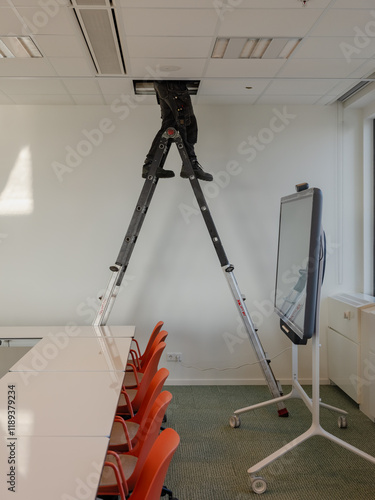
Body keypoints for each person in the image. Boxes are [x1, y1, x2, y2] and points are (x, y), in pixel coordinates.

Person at [142, 80, 213, 181]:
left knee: (169, 125)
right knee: (188, 123)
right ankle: (190, 165)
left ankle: (150, 165)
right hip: (173, 87)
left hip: (163, 86)